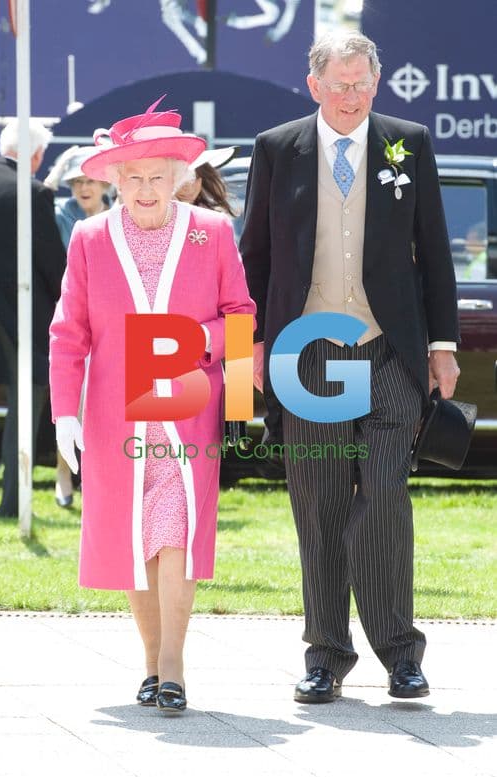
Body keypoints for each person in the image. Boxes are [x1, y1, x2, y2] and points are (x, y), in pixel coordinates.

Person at [240, 30, 460, 702]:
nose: (353, 96)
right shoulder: (277, 148)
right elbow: (255, 256)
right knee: (321, 503)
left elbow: (435, 250)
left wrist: (443, 345)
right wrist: (248, 344)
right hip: (307, 354)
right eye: (340, 85)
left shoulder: (408, 143)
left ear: (376, 83)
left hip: (388, 350)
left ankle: (400, 653)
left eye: (363, 83)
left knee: (385, 496)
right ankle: (326, 655)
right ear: (314, 85)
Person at [49, 99, 255, 713]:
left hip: (188, 410)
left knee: (176, 532)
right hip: (115, 414)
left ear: (178, 179)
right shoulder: (90, 238)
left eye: (157, 177)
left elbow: (241, 317)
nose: (145, 189)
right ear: (115, 179)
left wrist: (203, 355)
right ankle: (149, 661)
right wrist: (65, 413)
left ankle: (173, 667)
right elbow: (69, 333)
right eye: (134, 177)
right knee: (134, 537)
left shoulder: (211, 232)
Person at [0, 119, 66, 518]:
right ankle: (11, 503)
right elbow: (53, 265)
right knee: (25, 403)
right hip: (19, 318)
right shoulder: (33, 192)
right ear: (37, 156)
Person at [45, 146, 113, 507]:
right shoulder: (59, 216)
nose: (83, 188)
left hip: (112, 324)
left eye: (89, 181)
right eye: (76, 183)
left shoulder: (122, 213)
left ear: (104, 183)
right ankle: (63, 473)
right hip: (73, 322)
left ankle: (100, 479)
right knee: (72, 401)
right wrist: (55, 173)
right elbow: (36, 202)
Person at [175, 146, 238, 216]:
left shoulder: (214, 216)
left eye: (192, 178)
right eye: (181, 179)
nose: (187, 187)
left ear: (201, 180)